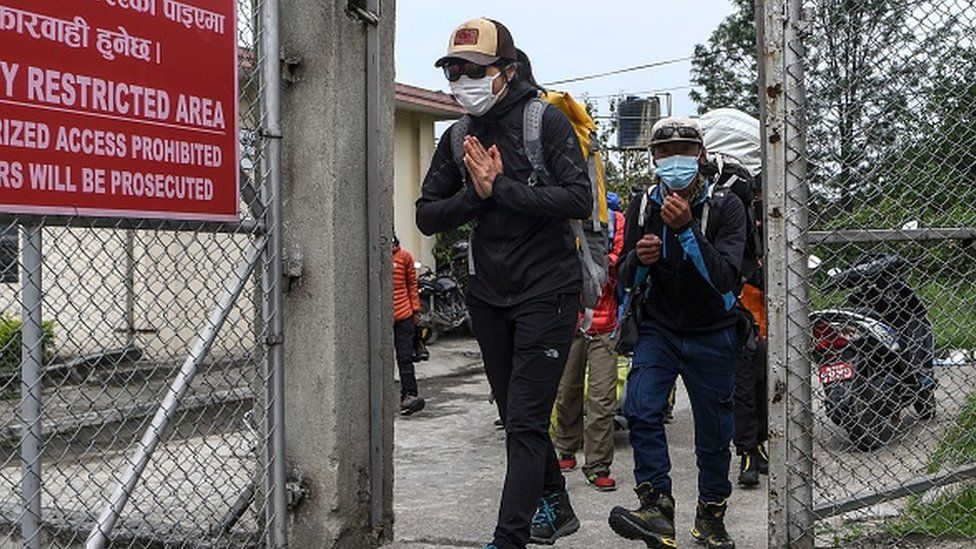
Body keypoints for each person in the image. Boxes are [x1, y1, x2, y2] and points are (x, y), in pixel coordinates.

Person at [415, 18, 592, 549]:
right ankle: (556, 506)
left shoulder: (546, 124)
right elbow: (427, 215)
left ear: (507, 71)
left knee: (523, 420)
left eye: (474, 69)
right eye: (453, 69)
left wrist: (503, 188)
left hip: (549, 292)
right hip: (487, 296)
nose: (462, 78)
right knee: (519, 419)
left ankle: (508, 538)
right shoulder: (457, 137)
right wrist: (477, 194)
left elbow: (577, 200)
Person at [609, 116, 745, 549]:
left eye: (684, 151)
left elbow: (725, 278)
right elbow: (623, 277)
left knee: (714, 432)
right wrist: (638, 260)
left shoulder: (726, 206)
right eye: (665, 153)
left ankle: (711, 516)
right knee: (641, 407)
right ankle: (657, 506)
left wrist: (686, 229)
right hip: (660, 328)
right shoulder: (644, 204)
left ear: (701, 156)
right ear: (653, 159)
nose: (675, 161)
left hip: (714, 331)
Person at [553, 194, 625, 492]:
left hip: (606, 324)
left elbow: (618, 259)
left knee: (602, 397)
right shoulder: (563, 220)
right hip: (571, 321)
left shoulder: (617, 222)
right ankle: (566, 446)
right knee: (566, 390)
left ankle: (597, 465)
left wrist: (594, 262)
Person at [392, 234, 425, 416]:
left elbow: (412, 284)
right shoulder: (376, 257)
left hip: (403, 315)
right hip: (382, 316)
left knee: (405, 358)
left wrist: (415, 310)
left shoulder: (405, 257)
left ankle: (409, 396)